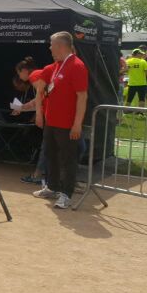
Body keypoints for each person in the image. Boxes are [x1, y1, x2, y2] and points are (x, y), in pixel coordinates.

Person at [33, 31, 88, 209]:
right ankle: (53, 186)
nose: (50, 48)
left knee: (68, 159)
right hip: (52, 122)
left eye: (52, 45)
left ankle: (66, 194)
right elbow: (44, 91)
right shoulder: (57, 66)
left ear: (61, 46)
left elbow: (82, 97)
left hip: (67, 124)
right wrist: (41, 113)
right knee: (51, 155)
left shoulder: (77, 66)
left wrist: (77, 124)